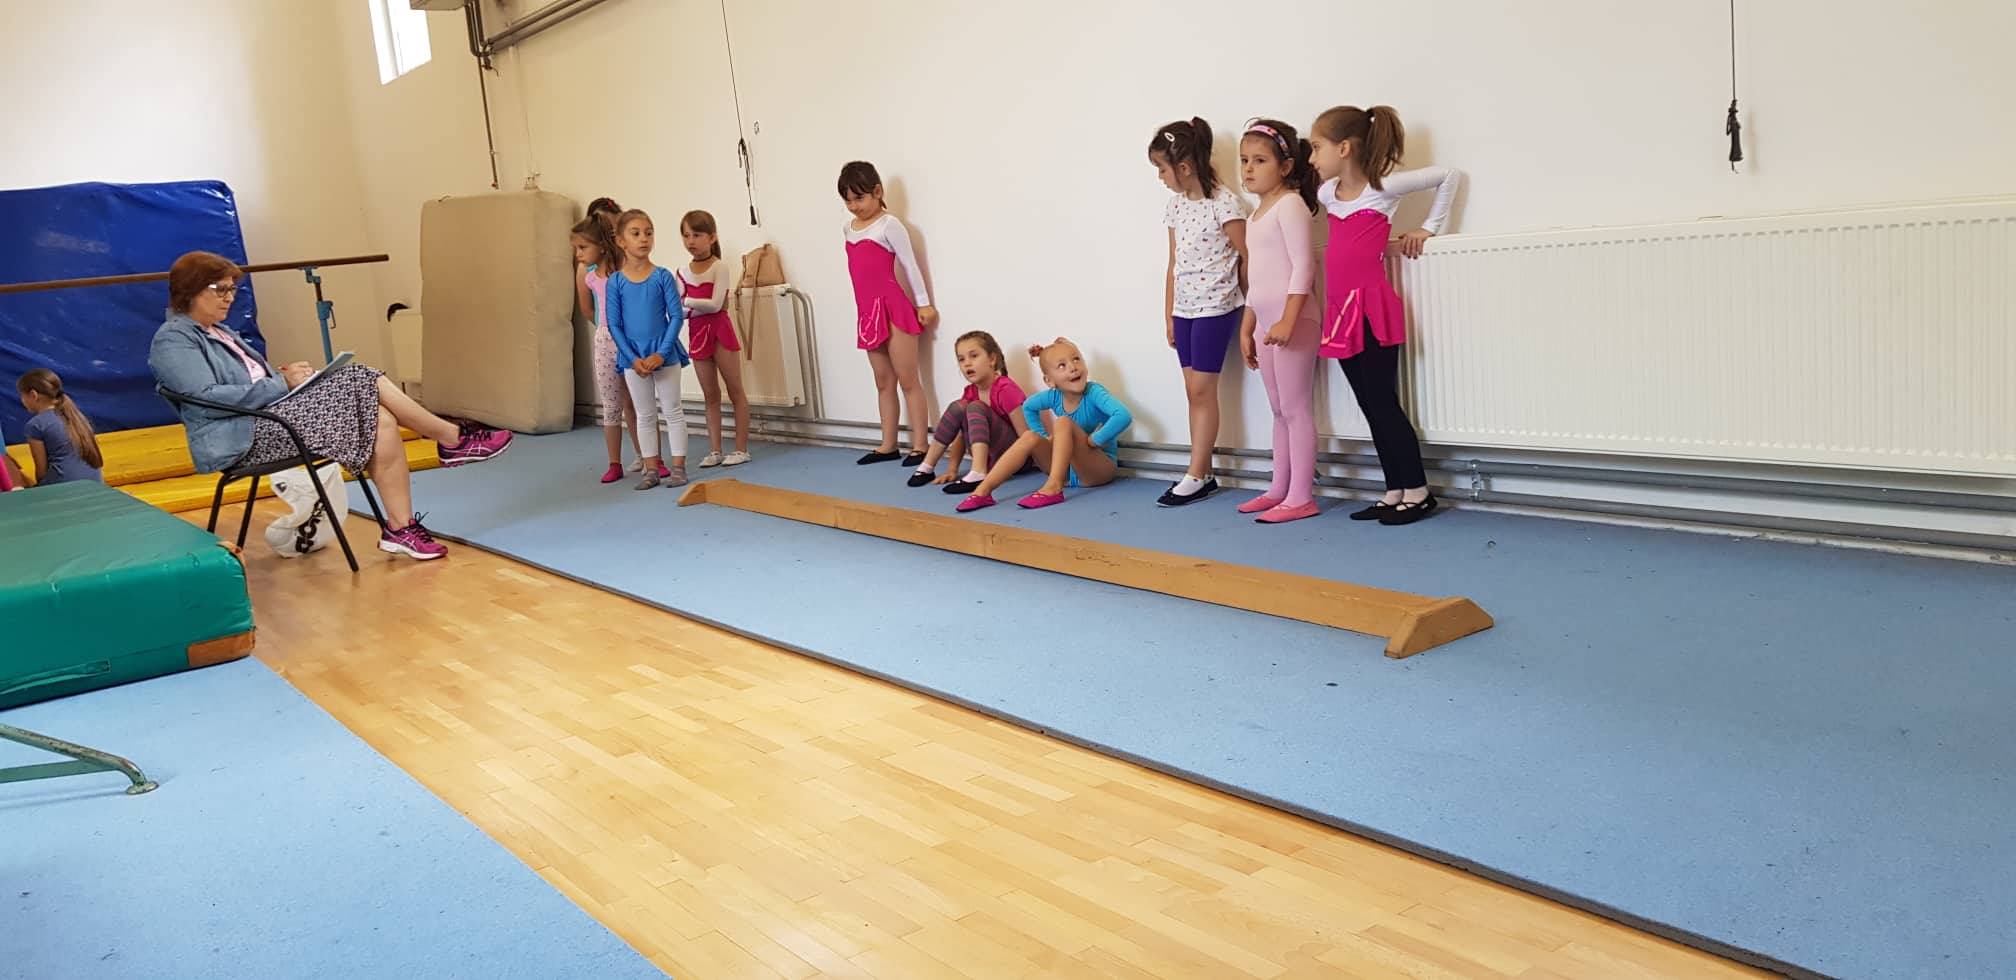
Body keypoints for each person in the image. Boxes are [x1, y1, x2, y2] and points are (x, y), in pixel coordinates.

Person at [149, 250, 512, 560]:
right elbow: (207, 398)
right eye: (220, 289)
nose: (229, 297)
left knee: (381, 419)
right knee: (360, 376)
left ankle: (401, 529)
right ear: (191, 290)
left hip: (268, 420)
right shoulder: (173, 339)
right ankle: (452, 439)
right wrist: (281, 384)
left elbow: (249, 384)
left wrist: (286, 376)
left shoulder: (222, 332)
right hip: (241, 438)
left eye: (232, 289)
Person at [1308, 104, 1463, 525]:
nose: (1312, 157)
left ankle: (1418, 490)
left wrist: (1430, 227)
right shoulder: (1326, 194)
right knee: (1368, 403)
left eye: (1317, 147)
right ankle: (1394, 489)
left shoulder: (1384, 188)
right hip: (1340, 311)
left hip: (1370, 308)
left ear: (1343, 148)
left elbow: (1448, 175)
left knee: (1383, 401)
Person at [1151, 117, 1248, 507]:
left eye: (1162, 169)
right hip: (1185, 309)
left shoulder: (1225, 203)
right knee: (1192, 391)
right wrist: (1169, 314)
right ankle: (1202, 471)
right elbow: (1173, 262)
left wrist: (1253, 306)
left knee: (1202, 390)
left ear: (1185, 167)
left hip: (1215, 307)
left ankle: (1195, 473)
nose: (1160, 177)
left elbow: (1247, 255)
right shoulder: (1176, 206)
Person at [1234, 119, 1322, 524]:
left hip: (1295, 321)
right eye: (1244, 161)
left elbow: (1303, 267)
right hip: (1266, 324)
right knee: (1277, 409)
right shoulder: (1255, 215)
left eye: (1259, 160)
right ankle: (1279, 488)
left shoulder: (1291, 205)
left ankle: (1301, 496)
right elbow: (1258, 280)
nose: (1248, 169)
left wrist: (1287, 320)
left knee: (1296, 407)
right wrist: (1248, 325)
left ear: (1285, 167)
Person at [957, 338, 1132, 513]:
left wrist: (1095, 440)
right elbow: (1028, 407)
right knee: (1029, 436)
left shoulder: (1094, 392)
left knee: (1063, 422)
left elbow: (1123, 415)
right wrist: (1043, 437)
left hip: (1098, 470)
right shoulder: (1053, 396)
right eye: (1062, 366)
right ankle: (983, 491)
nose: (1073, 367)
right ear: (1049, 381)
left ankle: (1053, 486)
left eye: (1076, 359)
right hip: (1068, 471)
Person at [838, 161, 938, 466]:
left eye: (859, 198)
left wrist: (923, 303)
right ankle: (888, 444)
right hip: (868, 313)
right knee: (883, 381)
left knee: (909, 379)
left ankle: (920, 445)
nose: (854, 206)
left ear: (878, 192)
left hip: (893, 309)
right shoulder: (848, 228)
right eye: (848, 200)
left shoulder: (889, 224)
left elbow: (909, 264)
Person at [603, 209, 692, 489]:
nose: (644, 239)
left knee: (673, 410)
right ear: (621, 241)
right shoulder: (616, 282)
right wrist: (632, 358)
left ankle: (678, 467)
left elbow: (675, 316)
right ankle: (651, 469)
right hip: (633, 357)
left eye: (649, 233)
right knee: (644, 414)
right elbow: (614, 324)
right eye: (636, 233)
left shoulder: (662, 276)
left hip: (664, 352)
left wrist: (661, 353)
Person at [676, 210, 752, 467]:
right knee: (710, 394)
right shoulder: (682, 272)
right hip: (698, 333)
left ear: (712, 237)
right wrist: (698, 306)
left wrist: (688, 302)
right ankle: (715, 449)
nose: (691, 241)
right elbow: (678, 311)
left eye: (697, 235)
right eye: (686, 235)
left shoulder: (719, 267)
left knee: (735, 389)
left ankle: (741, 449)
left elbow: (717, 304)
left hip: (720, 331)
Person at [907, 331, 1028, 493]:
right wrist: (952, 469)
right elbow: (961, 436)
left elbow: (1026, 438)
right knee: (959, 406)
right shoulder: (970, 392)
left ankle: (978, 472)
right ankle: (927, 466)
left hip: (1015, 460)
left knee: (975, 406)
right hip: (990, 460)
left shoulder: (1005, 389)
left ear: (992, 359)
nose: (967, 364)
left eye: (974, 356)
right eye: (961, 359)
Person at [573, 211, 643, 483]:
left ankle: (647, 456)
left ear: (601, 246)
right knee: (612, 405)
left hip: (629, 340)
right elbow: (589, 310)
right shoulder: (588, 275)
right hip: (604, 340)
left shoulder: (624, 269)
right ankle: (615, 462)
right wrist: (606, 329)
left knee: (635, 401)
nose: (578, 254)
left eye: (582, 247)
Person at [14, 368, 105, 486]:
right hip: (96, 484)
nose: (22, 400)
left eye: (22, 396)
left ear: (33, 395)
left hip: (63, 487)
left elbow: (41, 473)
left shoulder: (36, 425)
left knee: (19, 483)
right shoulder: (76, 416)